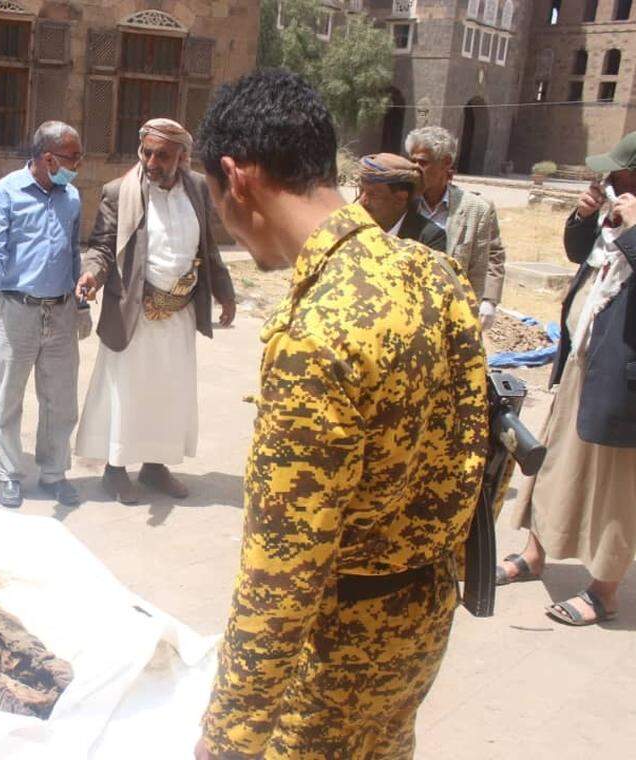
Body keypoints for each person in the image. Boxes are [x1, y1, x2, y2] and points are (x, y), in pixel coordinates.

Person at [193, 70, 487, 758]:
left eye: (215, 200)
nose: (226, 225)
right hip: (420, 625)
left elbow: (283, 572)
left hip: (332, 655)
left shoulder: (317, 333)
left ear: (237, 179)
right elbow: (478, 447)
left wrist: (228, 736)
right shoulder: (430, 273)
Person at [498, 134, 636, 626]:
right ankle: (537, 555)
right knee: (553, 463)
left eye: (617, 178)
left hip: (623, 386)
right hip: (582, 363)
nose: (609, 185)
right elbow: (581, 256)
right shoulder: (614, 220)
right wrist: (583, 218)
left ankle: (605, 590)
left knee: (614, 487)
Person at [73, 118, 236, 504]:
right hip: (134, 311)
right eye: (146, 152)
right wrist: (92, 276)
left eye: (162, 155)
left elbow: (207, 247)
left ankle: (155, 466)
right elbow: (102, 246)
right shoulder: (119, 192)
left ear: (182, 156)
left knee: (169, 391)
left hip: (178, 312)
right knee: (127, 391)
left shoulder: (196, 187)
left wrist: (225, 292)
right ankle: (114, 471)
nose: (151, 161)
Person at [0, 121, 89, 509]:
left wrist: (80, 303)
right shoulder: (5, 193)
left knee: (61, 399)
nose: (77, 165)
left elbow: (72, 253)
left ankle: (54, 473)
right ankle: (9, 473)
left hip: (60, 312)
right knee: (9, 398)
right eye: (72, 157)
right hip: (17, 311)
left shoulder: (71, 198)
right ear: (48, 158)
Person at [405, 125, 505, 328]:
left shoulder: (477, 209)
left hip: (452, 314)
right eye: (412, 161)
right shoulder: (402, 202)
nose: (415, 168)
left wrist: (488, 300)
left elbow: (491, 255)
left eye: (423, 162)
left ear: (446, 163)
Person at [356, 152, 446, 252]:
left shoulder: (429, 239)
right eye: (361, 190)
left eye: (373, 194)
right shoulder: (351, 227)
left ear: (400, 198)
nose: (362, 201)